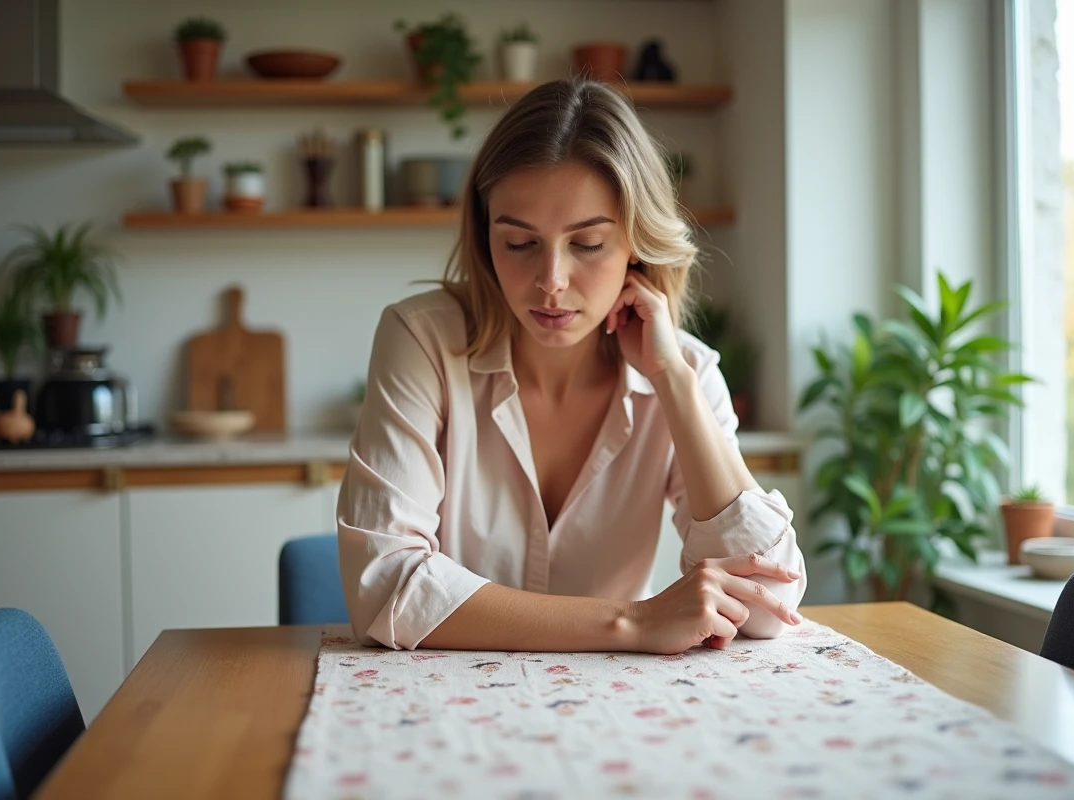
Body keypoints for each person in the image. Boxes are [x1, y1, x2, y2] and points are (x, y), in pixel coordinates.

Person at [337, 77, 807, 655]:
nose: (551, 282)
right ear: (485, 238)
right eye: (518, 243)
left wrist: (674, 383)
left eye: (587, 245)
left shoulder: (684, 369)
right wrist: (630, 623)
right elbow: (385, 588)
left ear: (636, 242)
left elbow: (767, 606)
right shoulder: (422, 339)